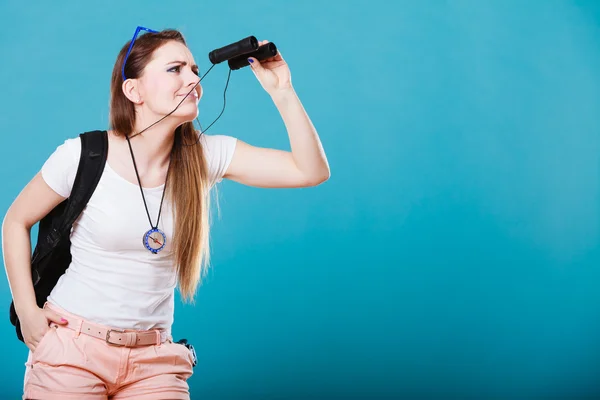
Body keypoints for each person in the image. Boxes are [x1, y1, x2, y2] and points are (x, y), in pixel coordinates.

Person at [1, 28, 329, 400]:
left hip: (155, 361)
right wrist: (28, 312)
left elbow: (311, 171)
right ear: (134, 91)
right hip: (73, 350)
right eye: (175, 69)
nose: (193, 79)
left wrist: (282, 91)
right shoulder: (84, 154)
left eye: (193, 69)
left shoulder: (205, 156)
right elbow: (15, 220)